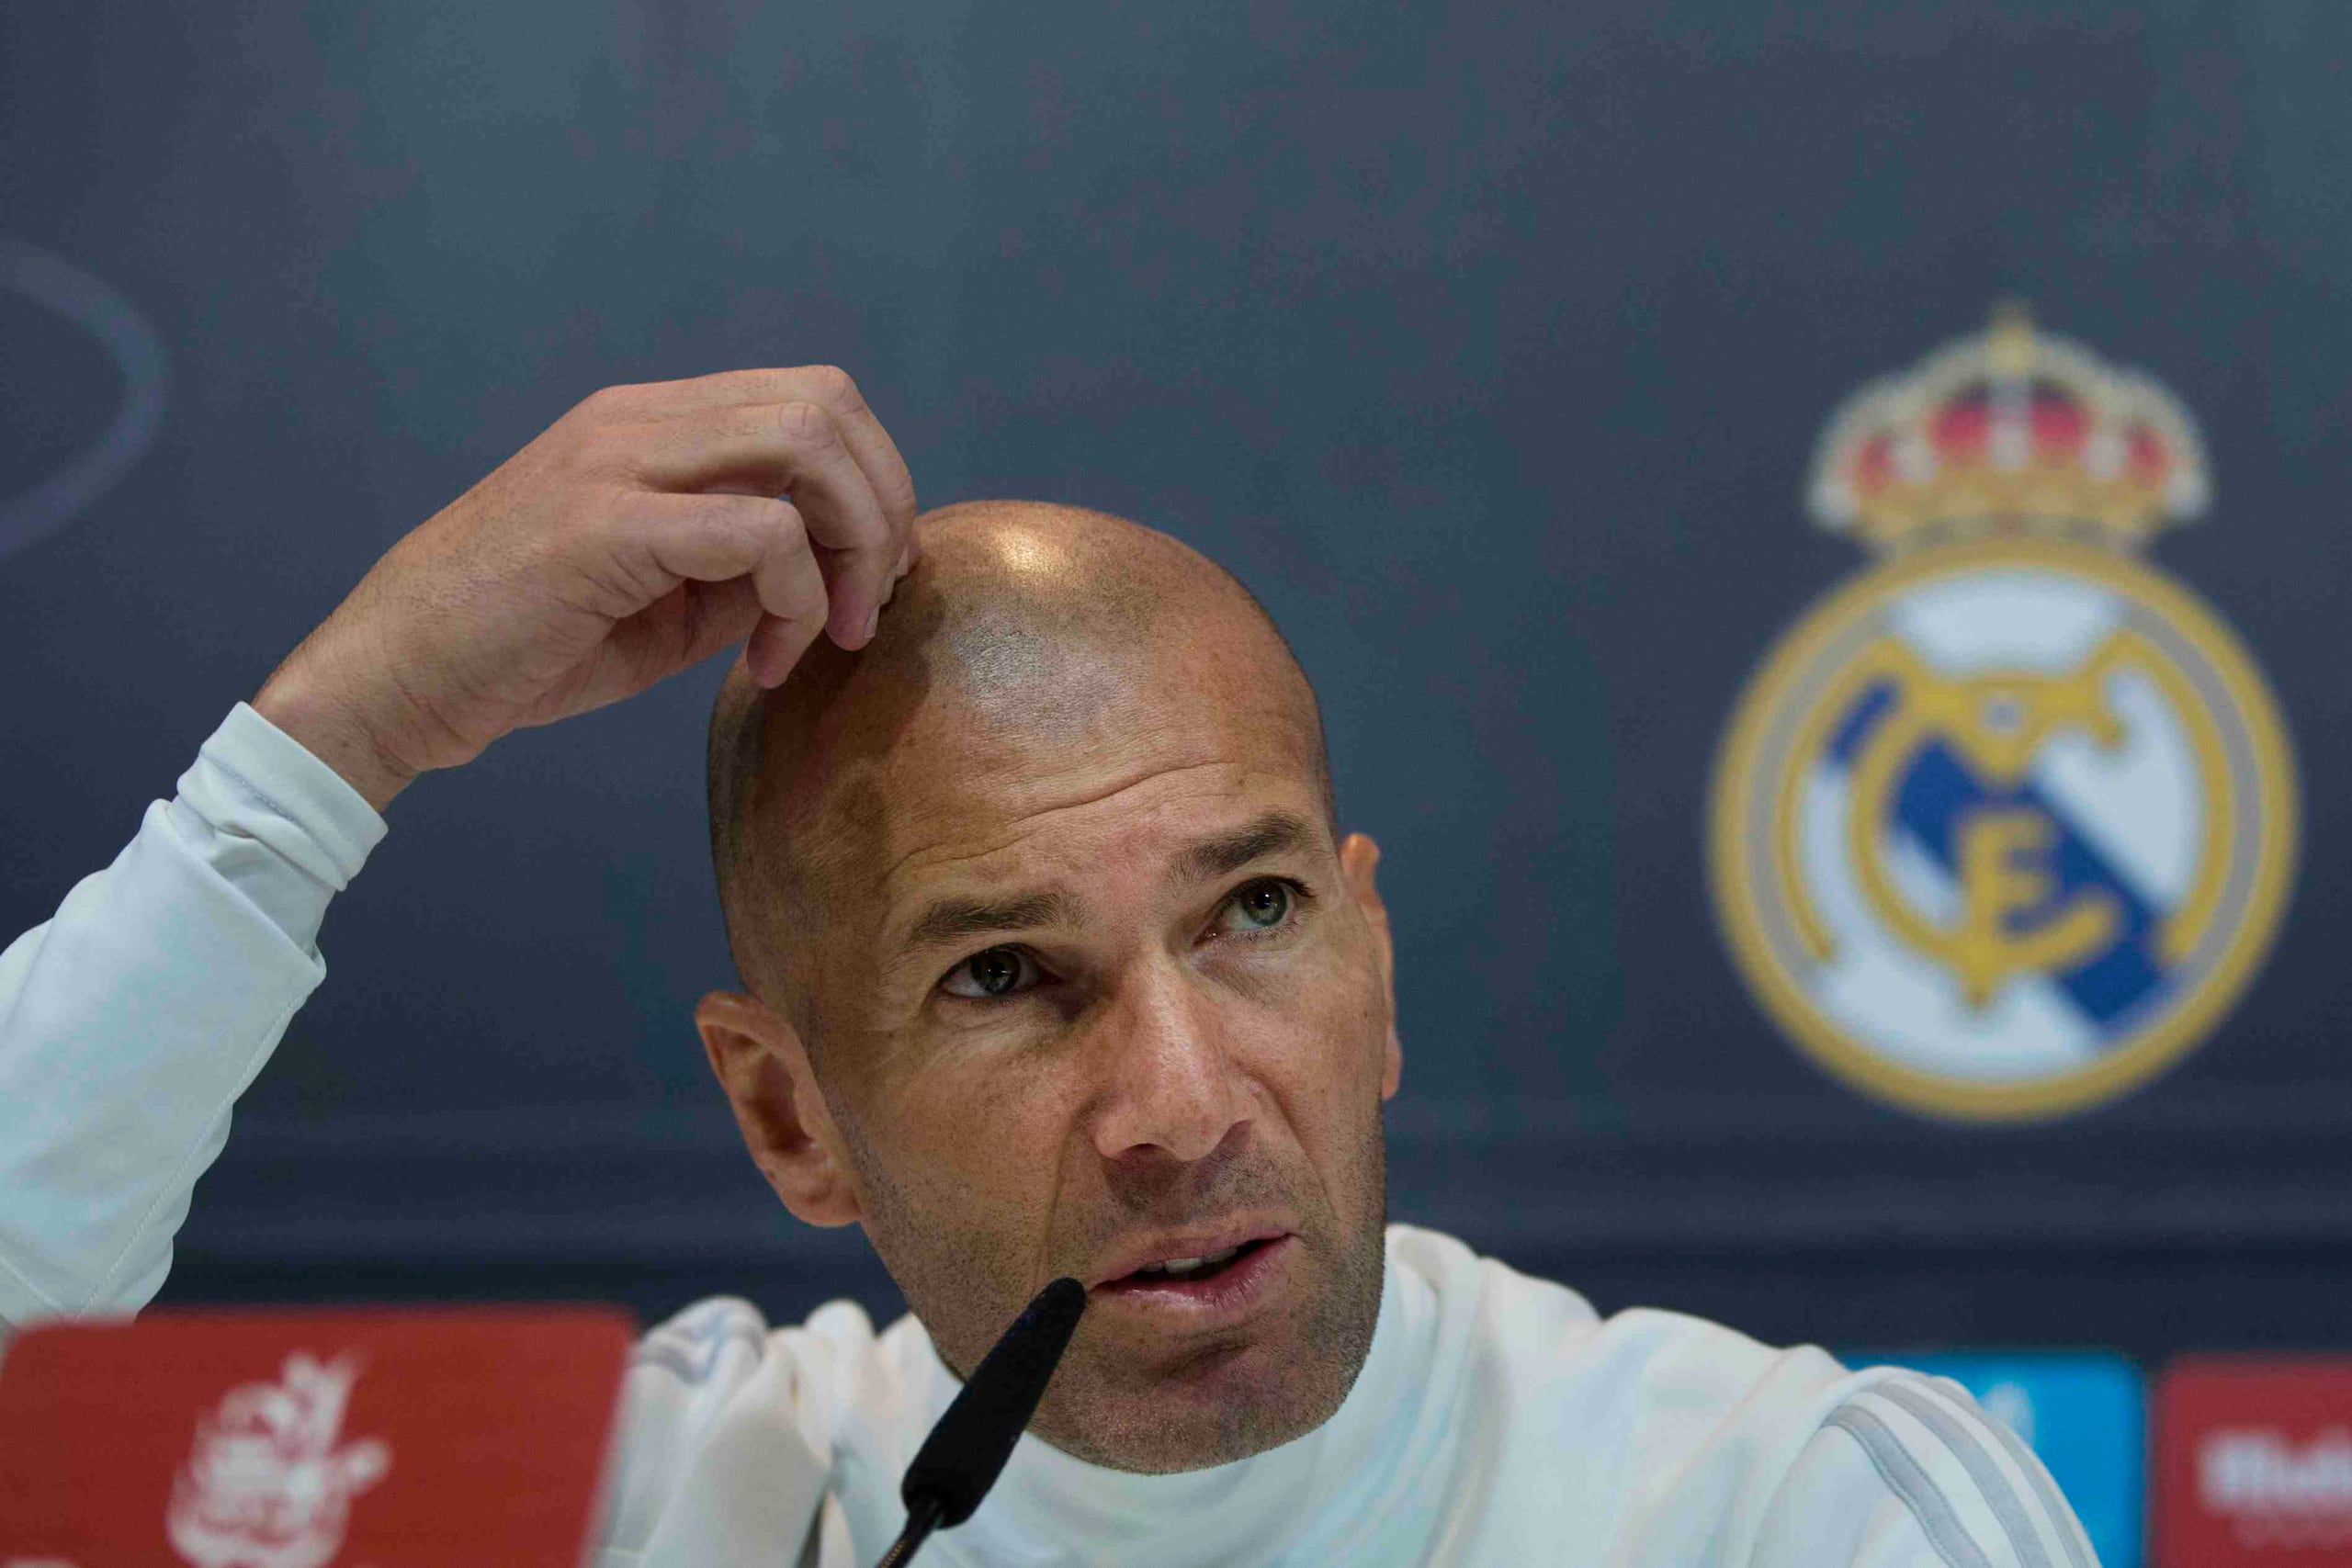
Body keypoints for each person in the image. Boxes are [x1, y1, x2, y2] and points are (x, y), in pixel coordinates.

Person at [0, 367, 2098, 1566]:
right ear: (782, 1114)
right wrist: (329, 738)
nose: (1180, 1103)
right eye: (1004, 974)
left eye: (1252, 913)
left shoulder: (1792, 1517)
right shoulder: (645, 1504)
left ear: (1370, 968)